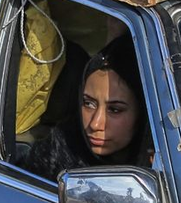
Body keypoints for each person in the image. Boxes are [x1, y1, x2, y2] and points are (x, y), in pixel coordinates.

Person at [23, 35, 150, 180]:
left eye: (115, 110)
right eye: (88, 104)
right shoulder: (55, 153)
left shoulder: (168, 170)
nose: (96, 124)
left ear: (143, 114)